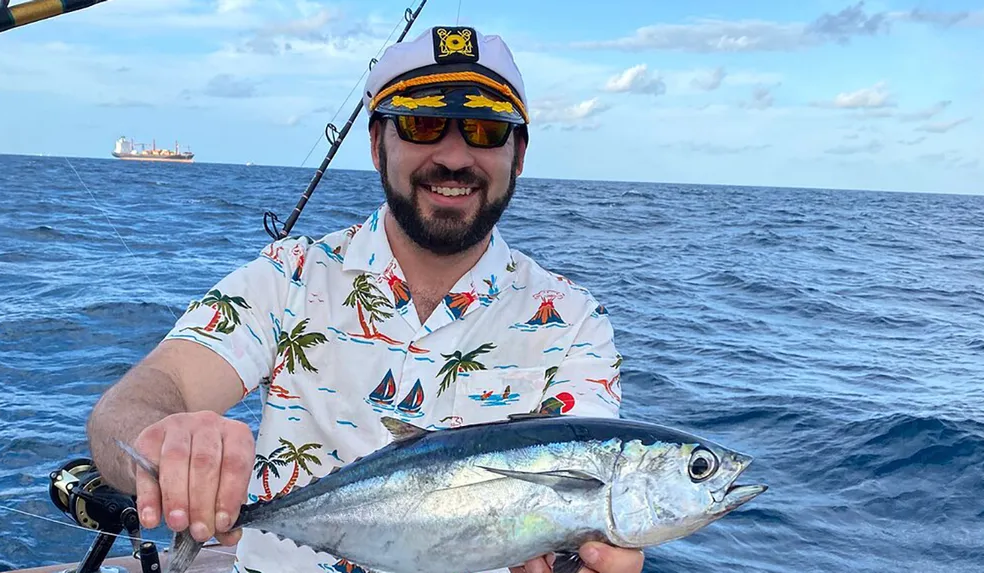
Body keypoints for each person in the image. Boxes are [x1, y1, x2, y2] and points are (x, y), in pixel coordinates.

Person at [86, 25, 641, 573]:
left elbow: (581, 510)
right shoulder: (290, 277)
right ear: (377, 145)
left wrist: (578, 561)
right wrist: (162, 442)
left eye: (484, 127)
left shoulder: (572, 320)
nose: (453, 157)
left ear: (518, 154)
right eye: (422, 124)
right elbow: (138, 401)